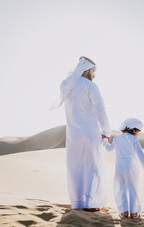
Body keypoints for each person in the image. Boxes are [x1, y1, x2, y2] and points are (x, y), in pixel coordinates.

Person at [56, 56, 111, 211]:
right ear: (86, 69)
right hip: (90, 133)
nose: (94, 74)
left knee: (76, 168)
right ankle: (90, 203)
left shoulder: (67, 85)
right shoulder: (90, 86)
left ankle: (77, 202)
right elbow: (100, 109)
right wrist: (106, 131)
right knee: (91, 167)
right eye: (93, 71)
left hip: (73, 135)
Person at [103, 118, 144, 219]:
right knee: (132, 187)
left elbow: (109, 148)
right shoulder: (134, 139)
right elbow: (140, 154)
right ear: (134, 129)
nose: (138, 133)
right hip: (131, 166)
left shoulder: (117, 137)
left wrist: (105, 140)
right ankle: (133, 212)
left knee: (120, 188)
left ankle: (124, 211)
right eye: (138, 131)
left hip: (119, 166)